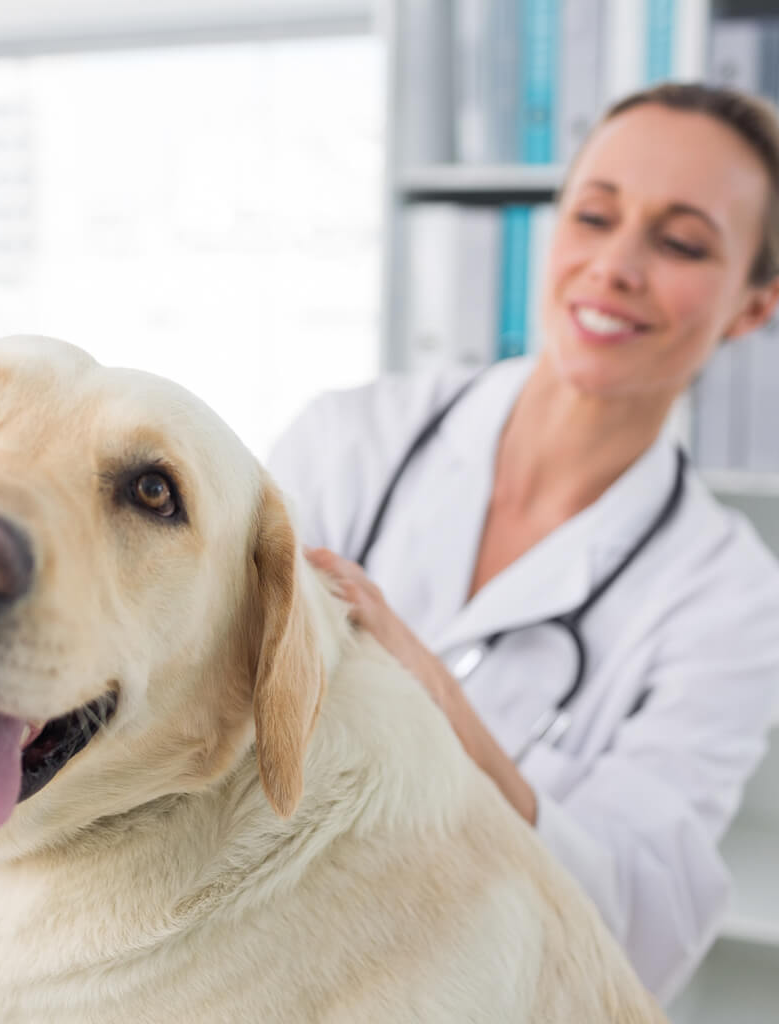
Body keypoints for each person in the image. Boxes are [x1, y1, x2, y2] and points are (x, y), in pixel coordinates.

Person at [267, 82, 779, 1005]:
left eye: (680, 243)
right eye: (594, 216)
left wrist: (434, 710)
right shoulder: (350, 441)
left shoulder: (729, 597)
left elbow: (635, 918)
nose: (615, 267)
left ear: (753, 306)